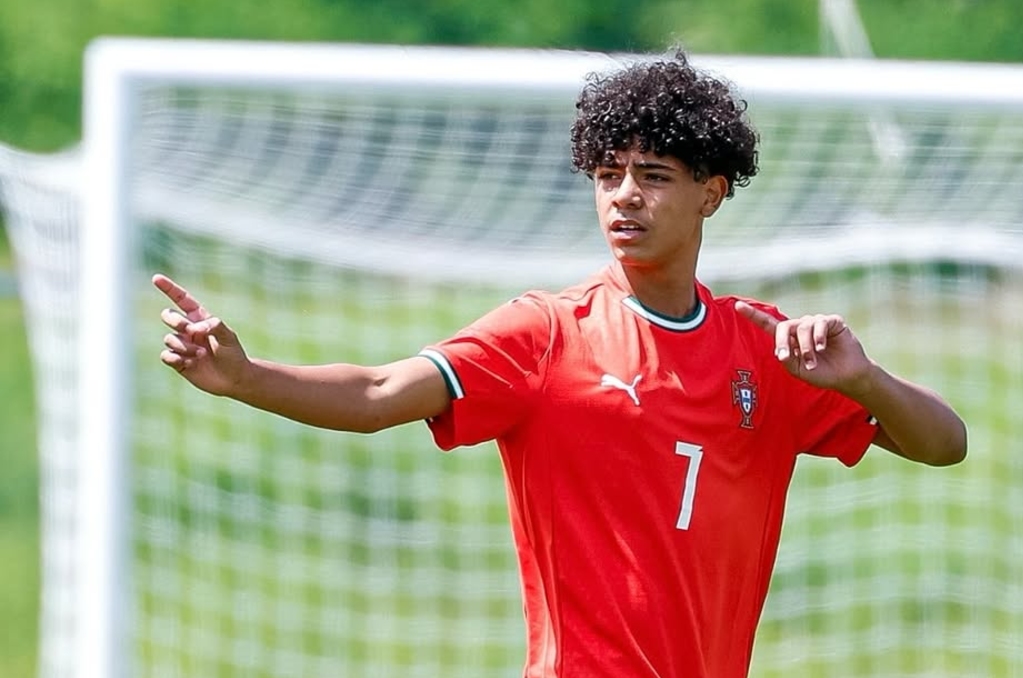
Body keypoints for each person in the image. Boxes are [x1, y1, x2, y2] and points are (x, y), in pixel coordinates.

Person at [156, 51, 967, 678]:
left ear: (711, 193)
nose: (623, 197)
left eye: (653, 177)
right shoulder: (545, 334)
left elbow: (944, 442)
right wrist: (248, 376)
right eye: (608, 175)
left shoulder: (765, 347)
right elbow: (377, 393)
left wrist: (865, 379)